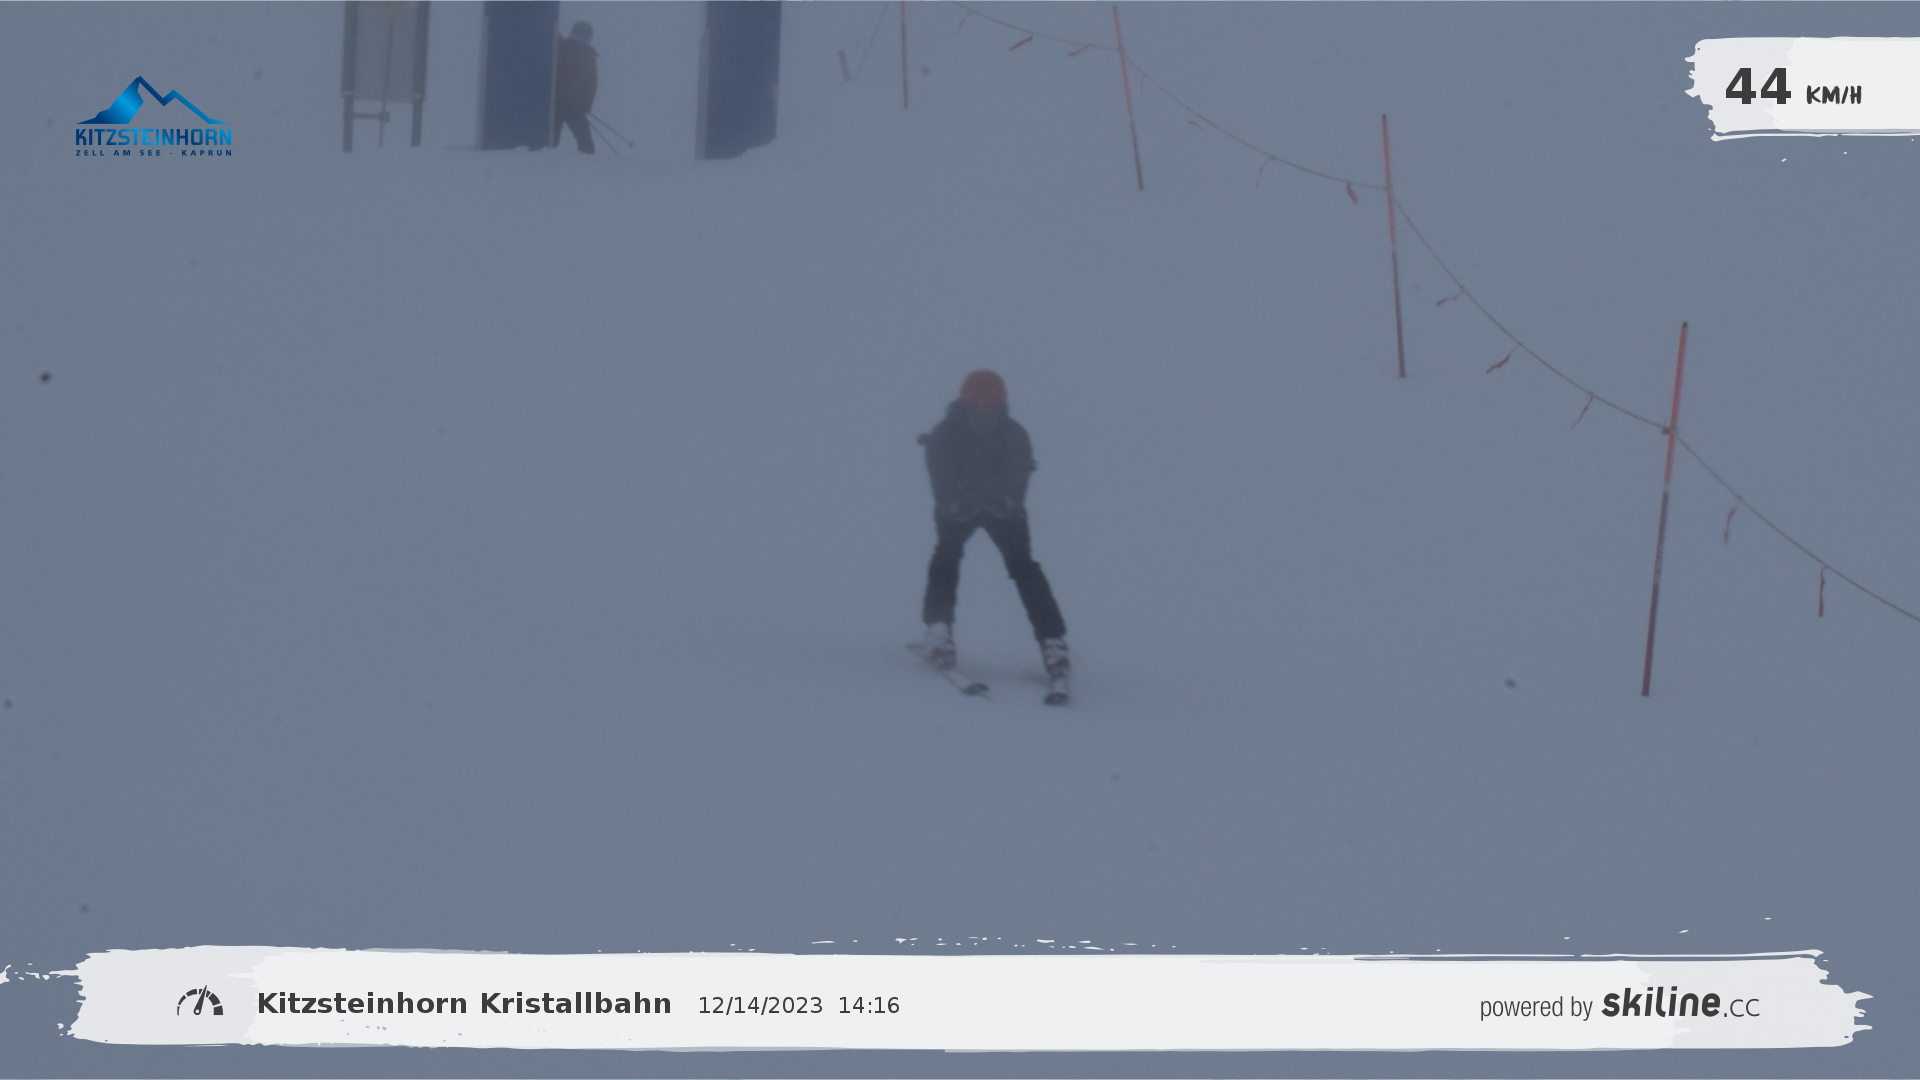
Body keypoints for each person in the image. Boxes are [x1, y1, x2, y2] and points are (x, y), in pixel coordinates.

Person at [918, 370, 1071, 699]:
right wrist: (955, 502)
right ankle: (938, 630)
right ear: (965, 405)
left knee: (1024, 567)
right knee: (946, 556)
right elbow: (940, 476)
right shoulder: (945, 434)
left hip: (1002, 512)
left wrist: (1003, 500)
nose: (984, 414)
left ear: (1000, 407)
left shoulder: (1014, 435)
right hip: (959, 509)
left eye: (990, 408)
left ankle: (1053, 641)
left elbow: (1018, 475)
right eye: (977, 407)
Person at [553, 21, 598, 153]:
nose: (582, 41)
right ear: (573, 36)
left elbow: (592, 84)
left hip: (575, 105)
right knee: (551, 137)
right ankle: (544, 161)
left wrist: (587, 104)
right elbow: (554, 37)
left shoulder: (590, 57)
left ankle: (588, 163)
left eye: (586, 38)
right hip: (557, 102)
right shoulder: (564, 47)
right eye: (579, 37)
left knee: (585, 140)